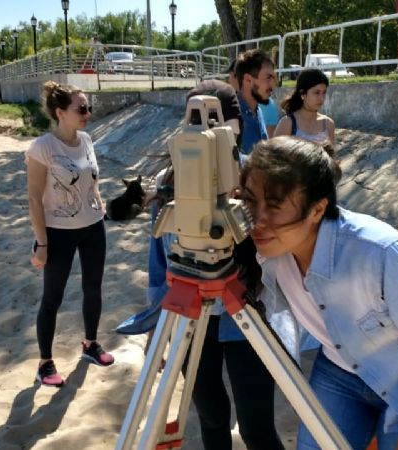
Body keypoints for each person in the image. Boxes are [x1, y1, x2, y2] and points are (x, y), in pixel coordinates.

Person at [240, 137, 398, 450]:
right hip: (340, 371)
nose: (258, 221)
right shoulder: (271, 247)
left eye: (276, 207)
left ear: (318, 209)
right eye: (250, 201)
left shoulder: (379, 253)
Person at [115, 80, 285, 450]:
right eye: (192, 119)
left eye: (211, 120)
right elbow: (160, 259)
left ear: (235, 126)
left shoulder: (258, 178)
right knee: (211, 418)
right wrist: (155, 326)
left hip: (246, 312)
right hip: (191, 314)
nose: (201, 130)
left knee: (256, 428)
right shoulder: (168, 181)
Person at [26, 81, 113, 388]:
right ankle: (45, 363)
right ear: (60, 112)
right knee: (52, 298)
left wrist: (99, 204)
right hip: (58, 232)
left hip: (92, 227)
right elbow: (35, 197)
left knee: (93, 288)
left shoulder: (87, 139)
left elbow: (92, 178)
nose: (88, 113)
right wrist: (42, 243)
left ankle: (90, 344)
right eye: (82, 108)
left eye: (89, 107)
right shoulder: (42, 148)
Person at [273, 68, 335, 146]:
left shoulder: (328, 124)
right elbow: (273, 156)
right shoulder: (287, 123)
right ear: (302, 94)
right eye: (317, 93)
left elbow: (331, 157)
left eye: (324, 93)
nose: (321, 98)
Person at [234, 49, 276, 155]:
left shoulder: (258, 112)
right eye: (268, 78)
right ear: (248, 79)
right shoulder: (231, 115)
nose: (272, 86)